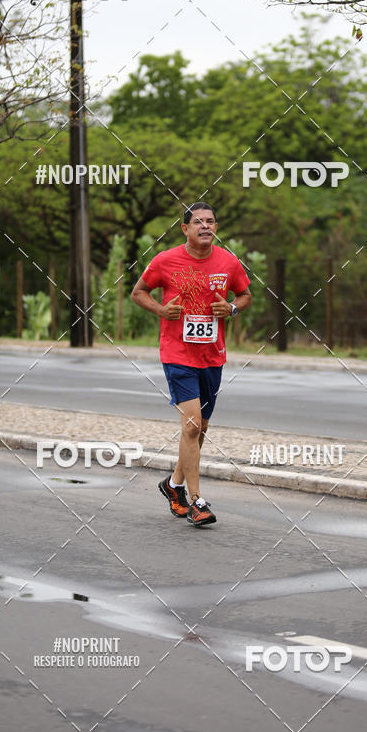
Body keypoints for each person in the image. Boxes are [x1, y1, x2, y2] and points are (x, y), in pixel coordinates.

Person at [131, 203, 251, 526]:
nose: (205, 226)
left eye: (211, 221)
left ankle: (173, 486)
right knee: (192, 426)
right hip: (177, 354)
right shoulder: (165, 261)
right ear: (185, 229)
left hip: (212, 355)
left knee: (200, 429)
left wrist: (232, 309)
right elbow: (138, 292)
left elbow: (245, 296)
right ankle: (197, 502)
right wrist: (160, 310)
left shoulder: (228, 261)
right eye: (198, 222)